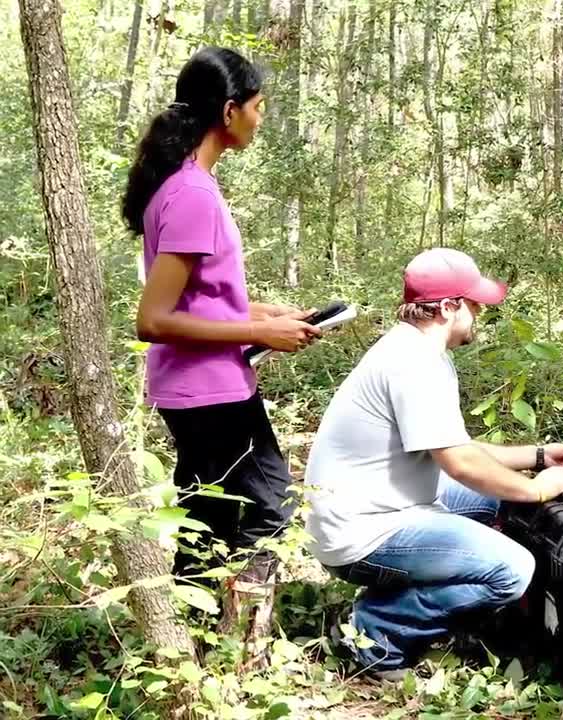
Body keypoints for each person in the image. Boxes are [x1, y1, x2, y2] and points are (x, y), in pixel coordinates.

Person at [305, 248, 563, 681]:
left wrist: (538, 456)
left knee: (498, 503)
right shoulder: (413, 364)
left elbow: (456, 446)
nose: (479, 314)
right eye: (474, 305)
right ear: (447, 307)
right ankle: (373, 632)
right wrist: (535, 487)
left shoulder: (413, 348)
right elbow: (458, 463)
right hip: (362, 532)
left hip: (380, 506)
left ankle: (468, 609)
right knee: (514, 570)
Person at [126, 47, 319, 587]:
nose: (261, 119)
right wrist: (260, 331)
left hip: (201, 389)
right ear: (229, 111)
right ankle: (239, 641)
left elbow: (196, 299)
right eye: (258, 106)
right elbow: (153, 319)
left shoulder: (188, 184)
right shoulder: (191, 193)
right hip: (209, 394)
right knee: (272, 508)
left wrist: (266, 313)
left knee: (205, 524)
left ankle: (193, 646)